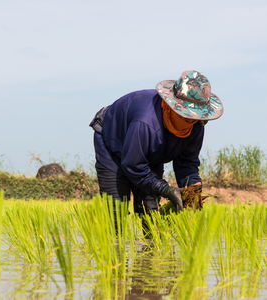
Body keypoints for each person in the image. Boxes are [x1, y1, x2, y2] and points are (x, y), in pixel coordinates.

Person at [89, 70, 223, 235]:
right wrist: (165, 189)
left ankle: (150, 258)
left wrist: (192, 187)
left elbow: (187, 162)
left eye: (198, 118)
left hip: (150, 153)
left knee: (152, 215)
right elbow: (133, 164)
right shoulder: (145, 123)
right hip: (113, 144)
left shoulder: (195, 126)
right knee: (116, 217)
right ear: (172, 107)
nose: (193, 122)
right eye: (188, 117)